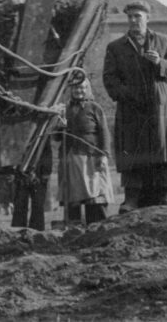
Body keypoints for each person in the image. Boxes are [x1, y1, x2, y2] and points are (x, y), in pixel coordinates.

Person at [102, 0, 167, 211]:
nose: (133, 20)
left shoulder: (164, 42)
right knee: (132, 150)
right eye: (130, 17)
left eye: (138, 16)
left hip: (158, 105)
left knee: (162, 149)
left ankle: (164, 194)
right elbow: (109, 79)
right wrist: (127, 94)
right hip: (131, 108)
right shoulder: (116, 47)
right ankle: (131, 198)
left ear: (148, 18)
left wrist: (159, 63)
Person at [54, 75, 114, 225]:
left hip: (92, 159)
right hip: (71, 159)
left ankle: (97, 228)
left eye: (82, 87)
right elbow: (56, 138)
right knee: (72, 198)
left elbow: (104, 133)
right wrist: (59, 128)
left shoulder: (95, 108)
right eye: (75, 88)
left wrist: (104, 155)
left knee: (94, 197)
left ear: (87, 89)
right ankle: (73, 230)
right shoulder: (64, 109)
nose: (79, 91)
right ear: (70, 90)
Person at [11, 137, 53, 230]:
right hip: (21, 170)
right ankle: (18, 230)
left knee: (38, 204)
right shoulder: (20, 132)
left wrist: (46, 171)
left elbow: (47, 152)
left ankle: (36, 231)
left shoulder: (43, 133)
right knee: (20, 203)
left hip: (39, 171)